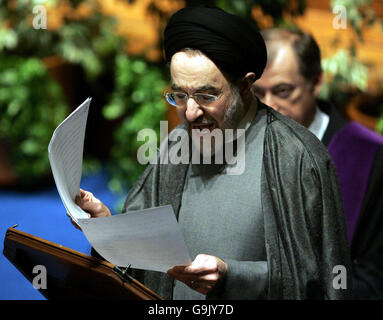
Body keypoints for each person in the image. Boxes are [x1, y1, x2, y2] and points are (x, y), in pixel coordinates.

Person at [73, 7, 352, 300]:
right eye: (179, 96)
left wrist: (233, 277)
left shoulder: (299, 157)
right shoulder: (179, 142)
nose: (191, 113)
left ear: (245, 86)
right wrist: (107, 227)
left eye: (207, 96)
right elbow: (144, 253)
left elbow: (319, 280)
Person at [253, 27, 383, 299]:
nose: (269, 106)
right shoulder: (239, 147)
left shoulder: (369, 156)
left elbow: (374, 281)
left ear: (316, 82)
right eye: (258, 93)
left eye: (283, 91)